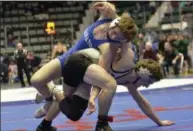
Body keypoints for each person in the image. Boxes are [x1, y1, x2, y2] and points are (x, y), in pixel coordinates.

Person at [31, 1, 138, 131]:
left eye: (117, 37)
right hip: (66, 58)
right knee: (36, 80)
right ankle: (48, 101)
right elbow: (110, 9)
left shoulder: (108, 49)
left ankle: (46, 120)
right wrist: (108, 6)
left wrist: (93, 97)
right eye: (114, 31)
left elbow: (101, 76)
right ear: (115, 23)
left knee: (68, 103)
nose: (112, 35)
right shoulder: (107, 18)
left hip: (81, 70)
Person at [35, 48, 174, 131]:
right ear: (144, 73)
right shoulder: (126, 62)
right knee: (106, 85)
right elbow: (102, 76)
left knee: (73, 113)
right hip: (84, 61)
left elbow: (141, 102)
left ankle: (45, 123)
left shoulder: (131, 83)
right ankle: (102, 123)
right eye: (149, 82)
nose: (147, 85)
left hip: (89, 74)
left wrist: (159, 122)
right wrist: (92, 97)